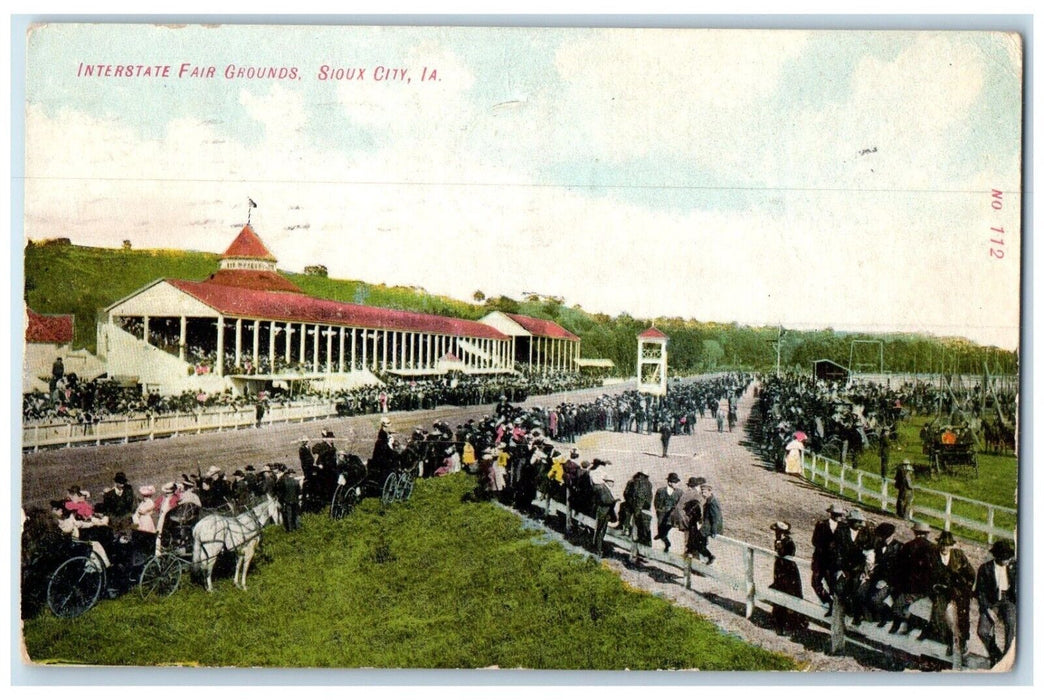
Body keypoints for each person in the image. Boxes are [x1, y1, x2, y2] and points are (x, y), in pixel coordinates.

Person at [924, 530, 975, 655]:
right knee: (939, 615)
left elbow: (971, 574)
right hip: (942, 590)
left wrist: (965, 589)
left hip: (959, 591)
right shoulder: (933, 556)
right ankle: (949, 641)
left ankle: (962, 643)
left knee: (962, 615)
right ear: (939, 544)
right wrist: (934, 589)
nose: (944, 547)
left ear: (951, 545)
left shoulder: (958, 555)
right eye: (942, 544)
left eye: (947, 545)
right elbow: (928, 576)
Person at [889, 521, 937, 635]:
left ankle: (913, 622)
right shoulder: (933, 548)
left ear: (915, 532)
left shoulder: (908, 546)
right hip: (925, 587)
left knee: (897, 607)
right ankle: (911, 623)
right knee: (902, 606)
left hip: (910, 587)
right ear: (927, 534)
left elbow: (900, 566)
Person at [975, 539, 1017, 665]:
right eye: (1004, 558)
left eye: (1008, 557)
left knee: (1011, 624)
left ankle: (1007, 658)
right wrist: (987, 609)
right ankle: (995, 654)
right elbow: (980, 592)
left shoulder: (1015, 567)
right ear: (997, 556)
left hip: (1008, 599)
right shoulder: (985, 568)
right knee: (982, 631)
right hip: (991, 602)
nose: (1007, 560)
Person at [833, 509, 874, 625]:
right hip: (845, 567)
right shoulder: (841, 531)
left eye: (861, 522)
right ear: (851, 522)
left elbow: (868, 552)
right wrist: (840, 568)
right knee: (839, 590)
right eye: (858, 522)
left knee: (855, 592)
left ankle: (857, 617)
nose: (861, 525)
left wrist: (864, 570)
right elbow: (837, 551)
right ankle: (842, 614)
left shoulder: (865, 534)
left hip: (858, 568)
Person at [769, 521, 806, 634]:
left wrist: (780, 545)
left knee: (790, 594)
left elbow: (784, 554)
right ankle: (779, 622)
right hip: (781, 570)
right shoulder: (779, 540)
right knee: (779, 592)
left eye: (777, 531)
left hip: (788, 571)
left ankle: (794, 623)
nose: (776, 533)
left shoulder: (788, 542)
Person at [811, 504, 846, 614]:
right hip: (821, 559)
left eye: (840, 514)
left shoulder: (843, 527)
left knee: (833, 585)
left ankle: (835, 608)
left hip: (834, 562)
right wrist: (826, 546)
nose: (839, 516)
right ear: (831, 514)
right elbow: (815, 541)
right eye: (837, 514)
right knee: (815, 583)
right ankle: (828, 601)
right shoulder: (821, 524)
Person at [618, 471, 653, 550]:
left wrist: (629, 501)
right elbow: (649, 497)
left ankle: (625, 528)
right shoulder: (648, 484)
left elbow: (625, 493)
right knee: (638, 526)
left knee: (627, 515)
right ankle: (636, 543)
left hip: (631, 505)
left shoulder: (632, 481)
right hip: (642, 508)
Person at [653, 473, 683, 552]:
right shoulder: (660, 491)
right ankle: (667, 543)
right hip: (662, 514)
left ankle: (663, 537)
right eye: (674, 482)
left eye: (677, 482)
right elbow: (656, 502)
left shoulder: (680, 492)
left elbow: (680, 504)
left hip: (671, 515)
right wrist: (659, 510)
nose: (676, 484)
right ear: (669, 482)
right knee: (660, 530)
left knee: (665, 530)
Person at [699, 483, 722, 564]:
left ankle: (710, 557)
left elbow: (716, 518)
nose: (703, 494)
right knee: (700, 543)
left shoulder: (713, 502)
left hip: (709, 527)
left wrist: (714, 531)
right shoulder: (709, 500)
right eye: (702, 492)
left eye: (704, 492)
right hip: (706, 525)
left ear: (710, 491)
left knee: (697, 542)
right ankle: (706, 558)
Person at [277, 466, 301, 532]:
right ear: (292, 474)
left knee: (289, 516)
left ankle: (290, 529)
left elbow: (282, 492)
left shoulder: (285, 482)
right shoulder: (296, 482)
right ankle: (297, 528)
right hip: (295, 501)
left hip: (287, 501)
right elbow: (299, 492)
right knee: (296, 515)